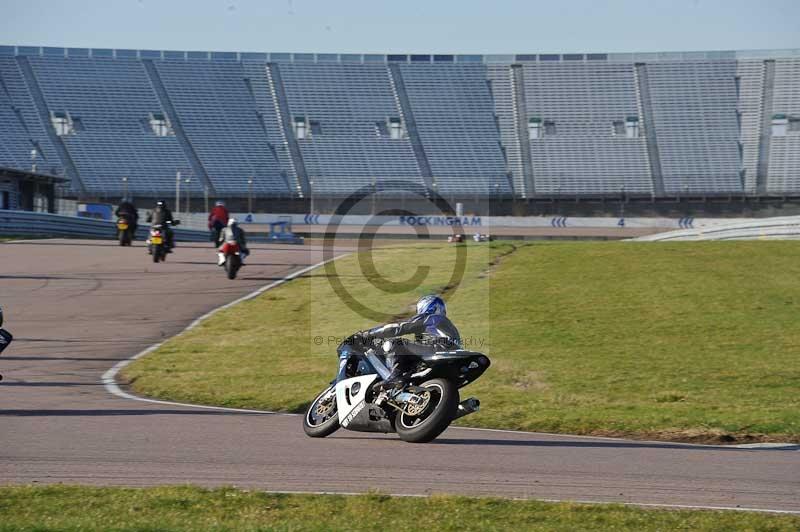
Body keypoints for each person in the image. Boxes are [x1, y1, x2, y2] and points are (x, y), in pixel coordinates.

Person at [353, 294, 460, 391]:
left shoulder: (429, 317)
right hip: (448, 355)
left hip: (437, 348)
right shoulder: (448, 326)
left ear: (426, 306)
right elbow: (421, 343)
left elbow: (400, 327)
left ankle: (394, 377)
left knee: (396, 344)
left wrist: (369, 334)